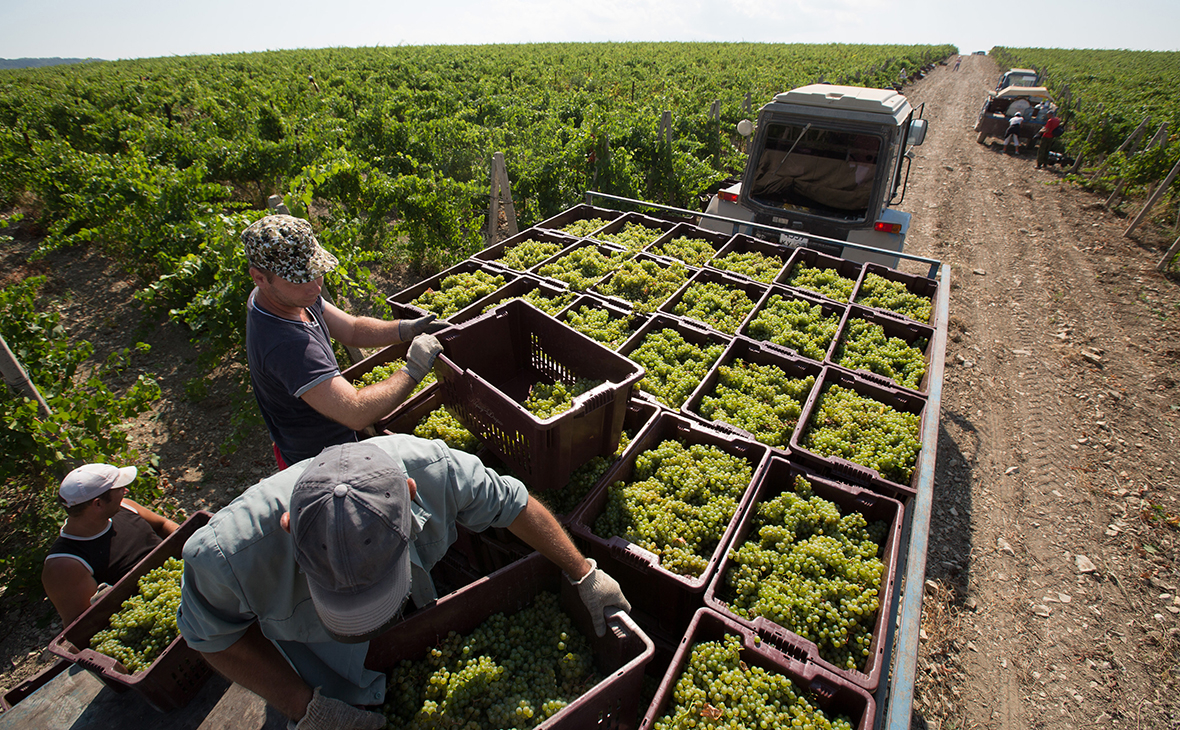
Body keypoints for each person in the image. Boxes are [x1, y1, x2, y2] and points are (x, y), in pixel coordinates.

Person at [178, 438, 631, 730]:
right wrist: (305, 707)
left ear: (412, 495)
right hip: (317, 668)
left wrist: (583, 572)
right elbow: (211, 638)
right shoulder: (221, 557)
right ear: (288, 526)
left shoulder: (437, 469)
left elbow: (513, 505)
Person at [243, 214, 446, 469]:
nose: (316, 287)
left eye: (316, 273)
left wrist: (404, 329)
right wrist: (414, 369)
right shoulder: (285, 345)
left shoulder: (286, 297)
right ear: (259, 277)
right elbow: (356, 412)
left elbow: (352, 329)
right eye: (300, 279)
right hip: (322, 463)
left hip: (337, 438)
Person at [42, 463, 180, 626]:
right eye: (119, 489)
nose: (125, 491)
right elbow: (83, 626)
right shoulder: (64, 566)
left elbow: (163, 525)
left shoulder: (126, 507)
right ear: (98, 504)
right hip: (159, 616)